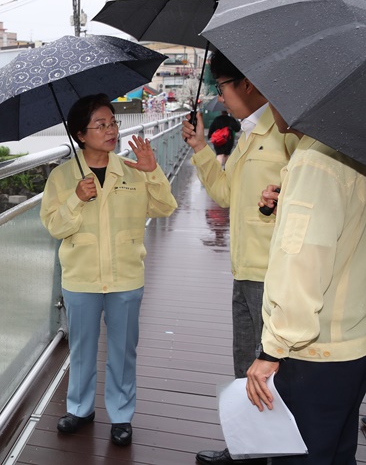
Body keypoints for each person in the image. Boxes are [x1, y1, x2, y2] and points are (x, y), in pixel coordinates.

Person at [181, 51, 298, 465]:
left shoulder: (288, 132)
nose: (221, 97)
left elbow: (306, 196)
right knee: (245, 363)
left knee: (273, 369)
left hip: (277, 274)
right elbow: (228, 193)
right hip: (245, 269)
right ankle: (248, 446)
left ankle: (272, 452)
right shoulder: (248, 133)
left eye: (222, 87)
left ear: (246, 84)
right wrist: (198, 146)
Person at [40, 94, 176, 447]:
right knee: (82, 350)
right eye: (100, 125)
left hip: (126, 275)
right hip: (81, 277)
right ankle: (80, 409)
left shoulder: (132, 169)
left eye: (113, 122)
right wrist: (76, 198)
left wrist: (153, 171)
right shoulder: (61, 177)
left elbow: (165, 208)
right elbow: (55, 227)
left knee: (123, 350)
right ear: (80, 135)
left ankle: (121, 415)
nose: (111, 130)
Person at [246, 106, 366, 464]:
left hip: (313, 350)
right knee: (338, 453)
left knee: (299, 455)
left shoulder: (315, 161)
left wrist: (272, 351)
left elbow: (303, 265)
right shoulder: (351, 145)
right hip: (352, 340)